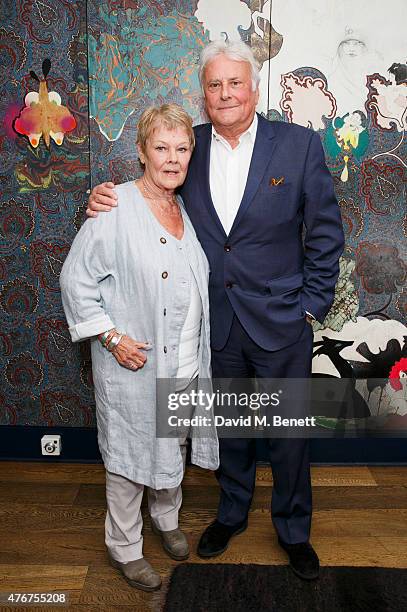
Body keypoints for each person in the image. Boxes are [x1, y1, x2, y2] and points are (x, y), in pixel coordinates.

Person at [87, 40, 345, 580]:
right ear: (203, 94)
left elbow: (324, 234)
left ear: (254, 89)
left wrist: (311, 307)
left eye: (235, 83)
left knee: (288, 434)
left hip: (282, 320)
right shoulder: (190, 146)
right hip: (215, 323)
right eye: (214, 84)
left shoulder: (298, 146)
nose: (225, 93)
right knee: (230, 429)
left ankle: (294, 531)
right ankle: (230, 514)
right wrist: (103, 199)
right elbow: (149, 186)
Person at [60, 103, 219, 592]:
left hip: (185, 360)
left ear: (191, 154)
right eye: (161, 148)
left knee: (173, 444)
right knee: (130, 460)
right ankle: (124, 546)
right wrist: (111, 337)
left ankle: (166, 520)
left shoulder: (184, 209)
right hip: (135, 363)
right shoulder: (114, 208)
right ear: (142, 152)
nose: (172, 159)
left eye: (181, 149)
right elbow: (74, 280)